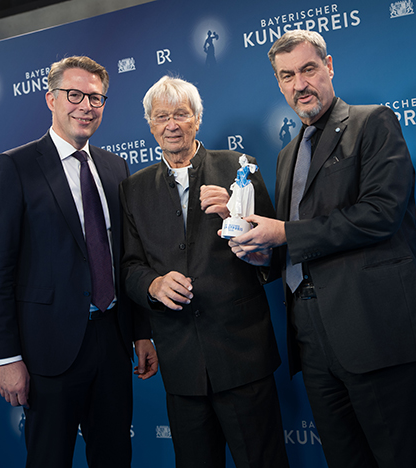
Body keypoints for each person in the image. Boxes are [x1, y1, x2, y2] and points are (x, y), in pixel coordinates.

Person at [228, 30, 416, 467]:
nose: (300, 84)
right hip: (311, 337)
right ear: (279, 83)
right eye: (287, 76)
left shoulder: (373, 122)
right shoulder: (287, 154)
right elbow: (294, 239)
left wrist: (285, 234)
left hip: (376, 328)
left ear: (328, 67)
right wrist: (263, 252)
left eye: (308, 69)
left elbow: (380, 214)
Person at [0, 56, 157, 468]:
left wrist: (141, 333)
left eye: (96, 98)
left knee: (115, 457)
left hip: (112, 342)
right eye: (74, 95)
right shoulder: (14, 167)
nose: (86, 106)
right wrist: (8, 358)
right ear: (51, 99)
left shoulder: (115, 167)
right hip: (47, 352)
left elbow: (127, 257)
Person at [120, 76, 289, 468]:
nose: (171, 125)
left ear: (197, 119)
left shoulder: (238, 167)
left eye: (181, 114)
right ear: (150, 125)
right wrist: (153, 285)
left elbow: (275, 254)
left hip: (243, 356)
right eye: (162, 117)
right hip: (181, 364)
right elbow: (129, 267)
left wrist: (237, 215)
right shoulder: (133, 189)